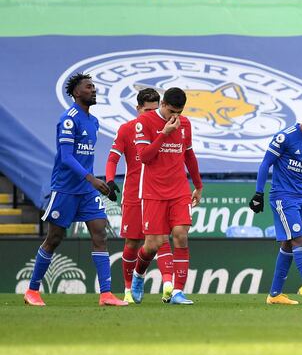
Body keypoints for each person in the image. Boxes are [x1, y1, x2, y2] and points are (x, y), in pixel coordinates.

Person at [23, 73, 127, 307]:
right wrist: (93, 179)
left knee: (100, 234)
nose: (94, 90)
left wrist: (98, 183)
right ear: (76, 92)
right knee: (55, 238)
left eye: (94, 87)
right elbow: (67, 158)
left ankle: (106, 294)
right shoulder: (68, 119)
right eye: (89, 87)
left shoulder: (94, 121)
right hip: (66, 189)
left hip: (87, 191)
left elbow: (85, 157)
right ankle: (32, 291)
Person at [249, 108, 302, 306]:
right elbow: (265, 164)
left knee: (288, 244)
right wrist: (258, 193)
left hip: (299, 200)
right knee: (299, 240)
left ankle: (274, 295)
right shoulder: (284, 138)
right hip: (282, 197)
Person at [130, 87, 203, 305]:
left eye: (179, 113)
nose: (175, 117)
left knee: (181, 234)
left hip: (179, 189)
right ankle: (138, 273)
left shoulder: (185, 124)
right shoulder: (144, 122)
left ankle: (177, 292)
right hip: (153, 190)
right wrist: (164, 134)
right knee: (153, 244)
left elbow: (189, 154)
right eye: (171, 111)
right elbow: (144, 157)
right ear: (162, 104)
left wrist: (198, 185)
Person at [105, 88, 177, 304]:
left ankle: (168, 286)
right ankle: (128, 289)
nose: (151, 114)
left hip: (157, 192)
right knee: (133, 242)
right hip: (135, 194)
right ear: (137, 109)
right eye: (147, 110)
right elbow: (112, 158)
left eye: (155, 110)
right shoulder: (127, 129)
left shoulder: (167, 127)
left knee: (162, 238)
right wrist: (109, 180)